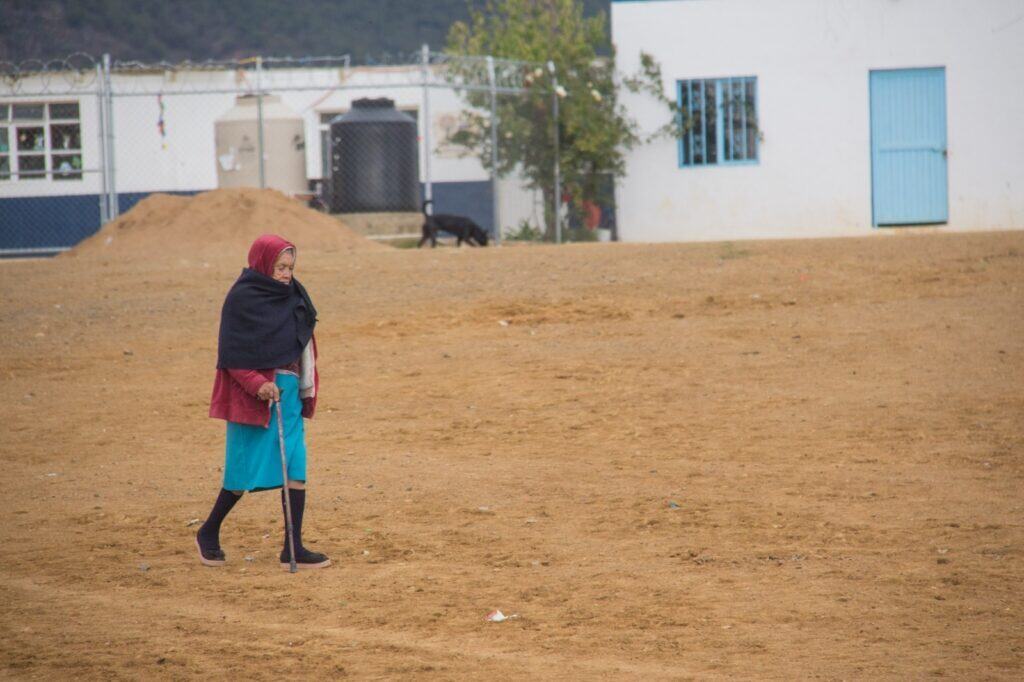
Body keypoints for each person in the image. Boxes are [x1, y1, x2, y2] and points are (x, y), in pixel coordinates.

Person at [195, 234, 330, 570]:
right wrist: (258, 384)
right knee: (241, 475)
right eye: (279, 267)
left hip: (289, 395)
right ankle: (208, 531)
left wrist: (302, 388)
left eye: (290, 267)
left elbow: (303, 344)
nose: (286, 274)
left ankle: (293, 548)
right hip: (253, 399)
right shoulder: (242, 299)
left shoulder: (295, 296)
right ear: (262, 264)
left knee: (295, 466)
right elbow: (232, 354)